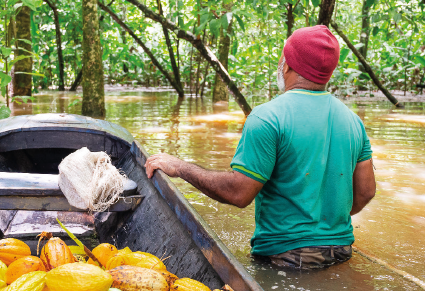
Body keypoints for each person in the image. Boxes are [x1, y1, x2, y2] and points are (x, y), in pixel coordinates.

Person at [145, 25, 376, 269]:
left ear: (287, 65)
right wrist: (325, 226)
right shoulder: (354, 123)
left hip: (286, 257)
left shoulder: (268, 117)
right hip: (342, 251)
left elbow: (239, 193)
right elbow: (365, 192)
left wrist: (181, 167)